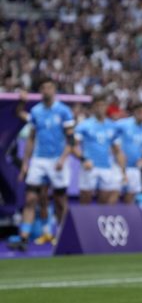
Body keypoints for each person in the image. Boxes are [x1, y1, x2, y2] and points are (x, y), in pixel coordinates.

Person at [11, 79, 75, 250]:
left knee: (60, 200)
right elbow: (31, 137)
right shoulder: (36, 111)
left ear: (54, 90)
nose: (46, 90)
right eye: (43, 88)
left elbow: (71, 138)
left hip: (57, 160)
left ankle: (63, 236)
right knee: (31, 198)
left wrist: (63, 158)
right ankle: (23, 238)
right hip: (39, 160)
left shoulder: (64, 111)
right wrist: (26, 162)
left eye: (49, 87)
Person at [74, 95, 126, 204]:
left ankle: (97, 221)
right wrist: (84, 160)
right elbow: (73, 146)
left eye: (103, 105)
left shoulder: (112, 126)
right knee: (85, 200)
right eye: (97, 105)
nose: (100, 108)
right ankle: (84, 221)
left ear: (107, 107)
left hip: (106, 166)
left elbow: (117, 150)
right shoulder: (84, 125)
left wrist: (123, 171)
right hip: (89, 166)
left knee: (104, 201)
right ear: (93, 108)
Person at [116, 102, 142, 204]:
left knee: (130, 198)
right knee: (113, 195)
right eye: (139, 111)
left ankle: (126, 218)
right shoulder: (122, 124)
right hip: (118, 167)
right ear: (134, 112)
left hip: (135, 169)